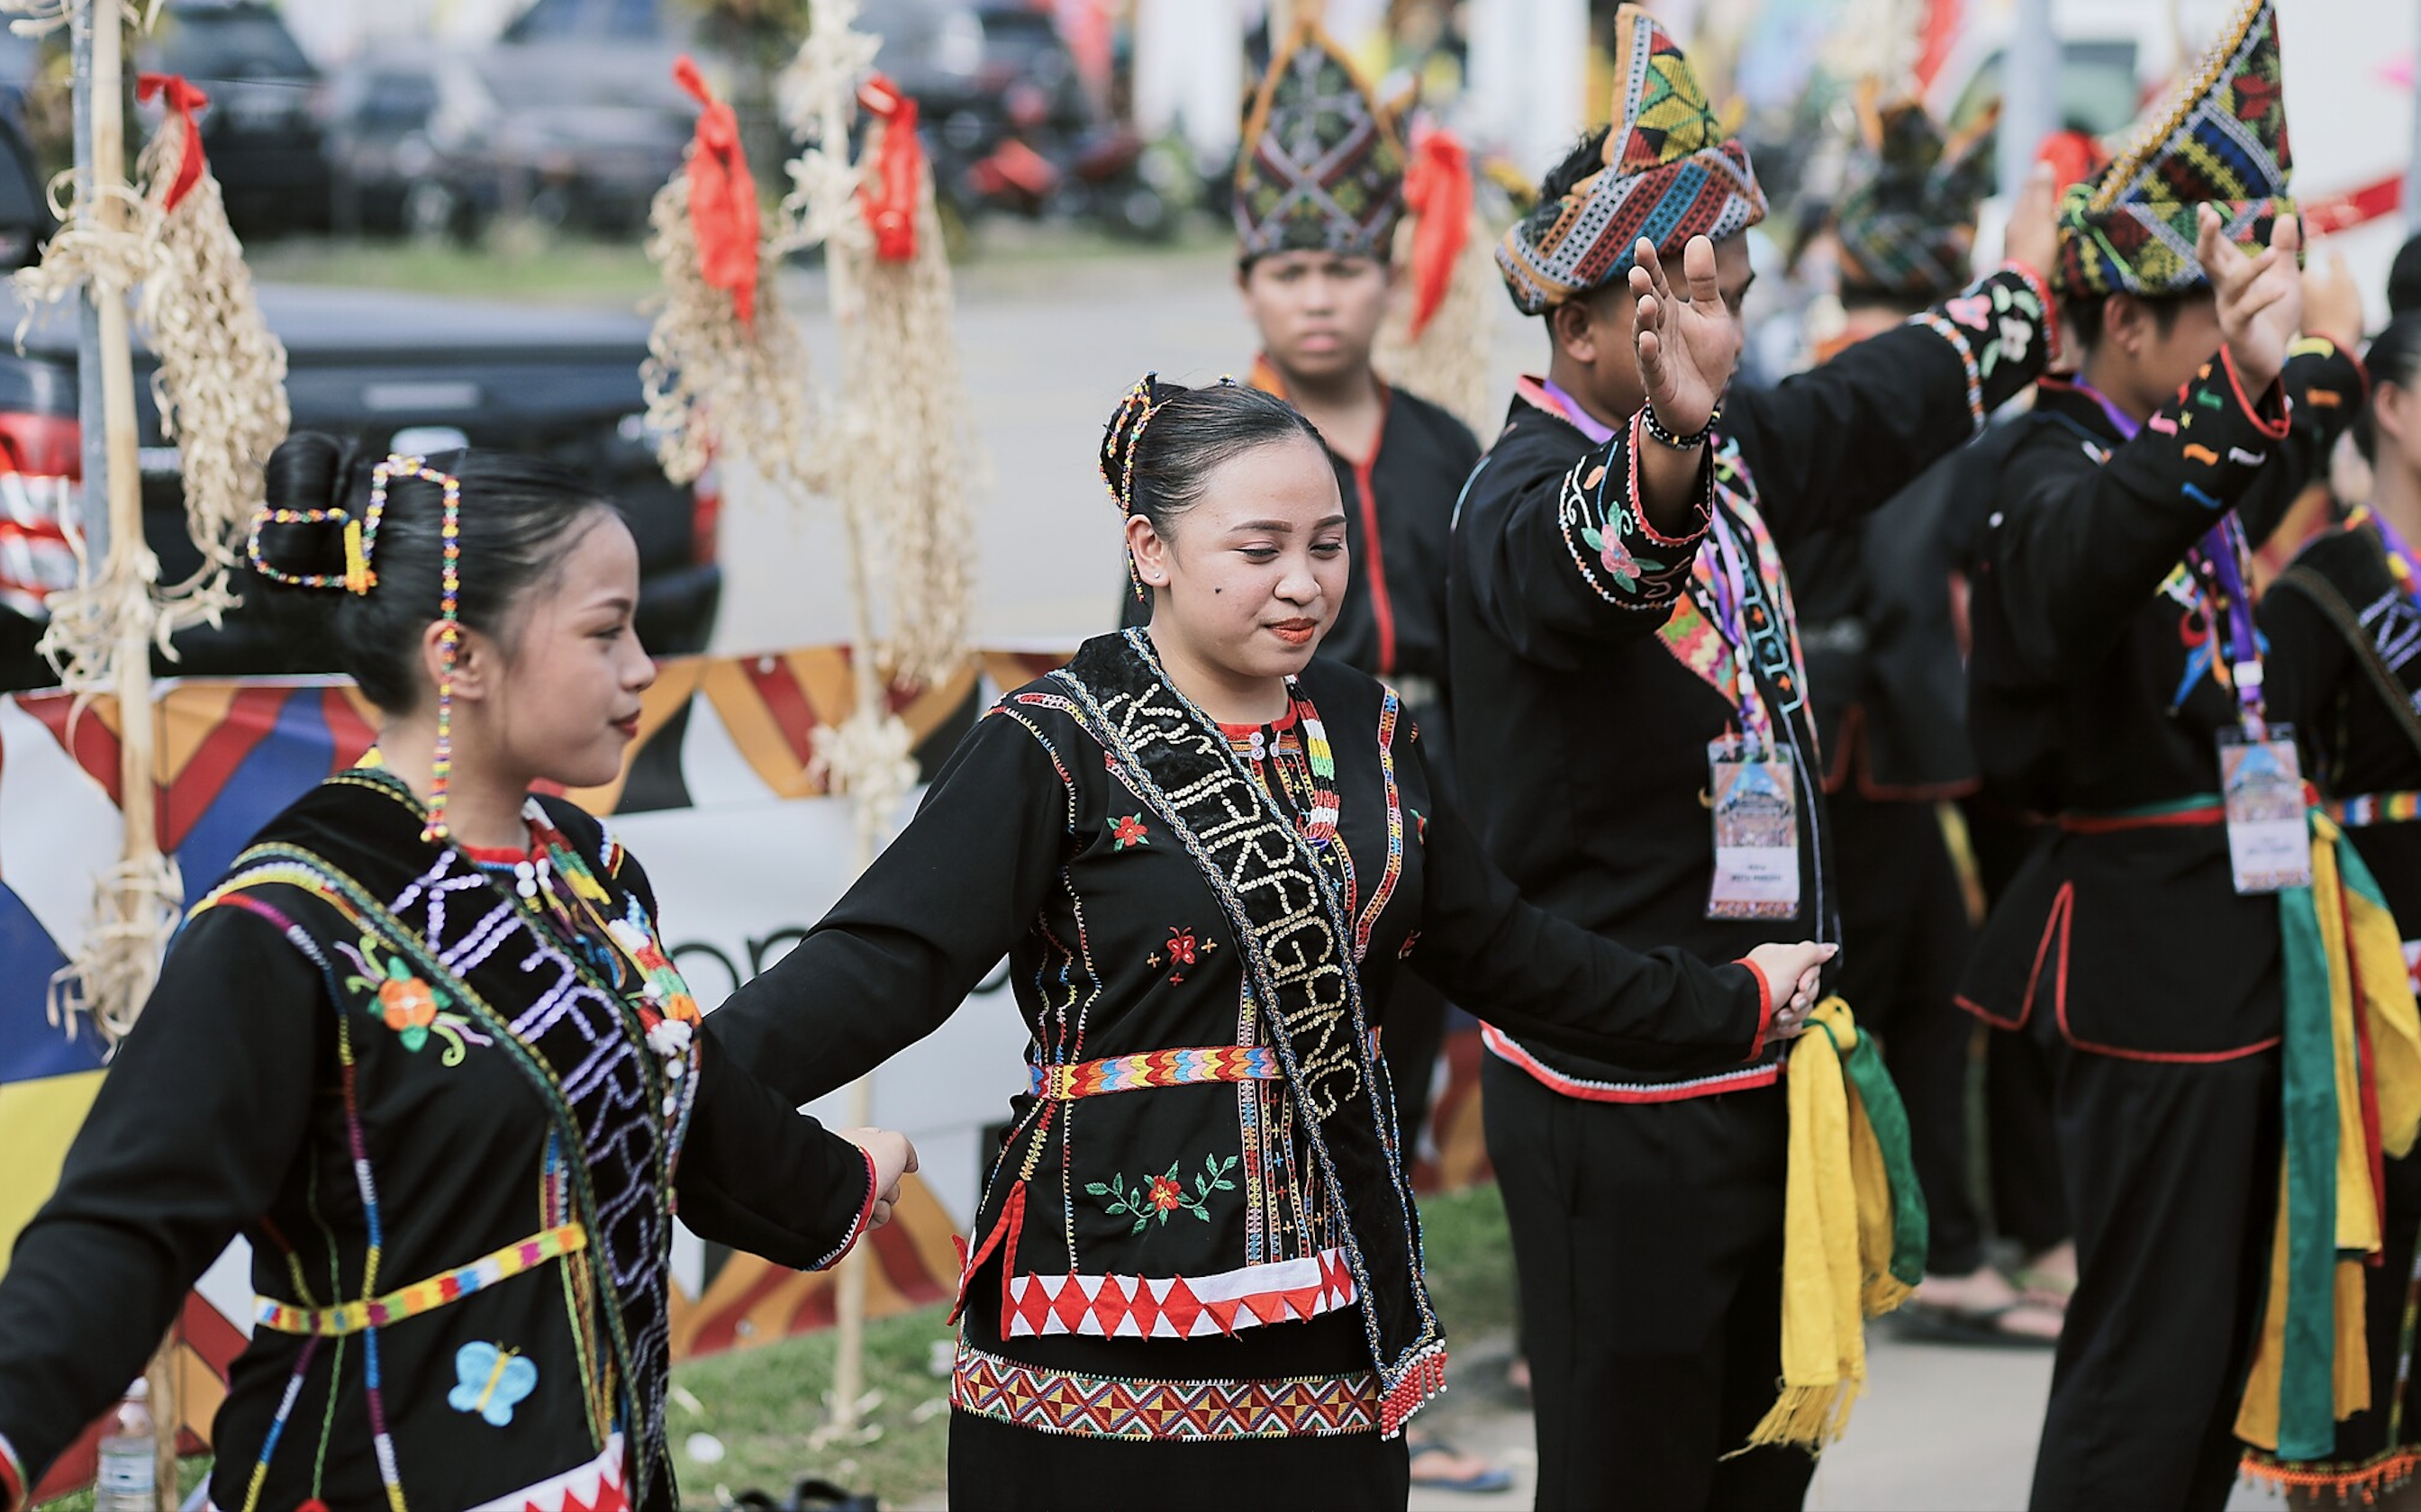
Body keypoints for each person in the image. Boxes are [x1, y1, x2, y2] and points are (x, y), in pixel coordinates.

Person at [713, 374, 1832, 1512]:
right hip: (1095, 1319)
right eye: (1259, 550)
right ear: (1149, 550)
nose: (1303, 583)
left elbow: (1509, 955)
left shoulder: (1366, 730)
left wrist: (1728, 1001)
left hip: (1327, 1319)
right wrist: (690, 1093)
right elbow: (879, 965)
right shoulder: (1055, 745)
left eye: (1326, 546)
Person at [0, 436, 916, 1512]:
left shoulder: (585, 870)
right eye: (605, 632)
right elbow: (126, 1223)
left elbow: (672, 1099)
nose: (642, 668)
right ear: (459, 656)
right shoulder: (289, 925)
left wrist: (842, 1178)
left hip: (600, 1478)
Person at [1449, 2, 2059, 1509]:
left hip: (1762, 1063)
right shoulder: (1517, 501)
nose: (1718, 332)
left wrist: (2021, 306)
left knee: (1756, 1474)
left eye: (1728, 296)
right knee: (1631, 1480)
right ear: (1580, 327)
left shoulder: (1733, 455)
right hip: (1617, 1095)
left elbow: (1872, 405)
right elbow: (1598, 569)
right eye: (1684, 303)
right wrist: (1662, 443)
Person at [1956, 0, 2370, 1509]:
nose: (2249, 348)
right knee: (2147, 1356)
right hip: (2141, 957)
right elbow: (2088, 561)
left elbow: (2289, 434)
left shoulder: (2173, 446)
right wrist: (2246, 399)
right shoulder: (2048, 467)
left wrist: (2295, 371)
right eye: (2218, 324)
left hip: (2230, 935)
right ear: (2124, 324)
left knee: (2212, 1357)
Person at [1125, 20, 1486, 1207]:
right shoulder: (1202, 456)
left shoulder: (1445, 447)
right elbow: (1142, 653)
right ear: (1246, 285)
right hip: (1261, 800)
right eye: (1289, 273)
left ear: (1390, 275)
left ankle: (1380, 1296)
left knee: (1398, 1074)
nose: (1319, 299)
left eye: (1344, 269)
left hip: (1423, 787)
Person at [1782, 99, 2064, 1346]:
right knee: (1907, 1001)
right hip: (1871, 750)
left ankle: (1901, 1249)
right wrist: (1962, 754)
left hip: (1801, 748)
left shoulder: (1802, 379)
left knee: (1871, 1001)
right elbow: (1903, 588)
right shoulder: (1906, 401)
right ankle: (1924, 1255)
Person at [2252, 315, 2421, 1506]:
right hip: (2378, 993)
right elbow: (2261, 798)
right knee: (2383, 1241)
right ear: (2393, 408)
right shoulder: (2319, 593)